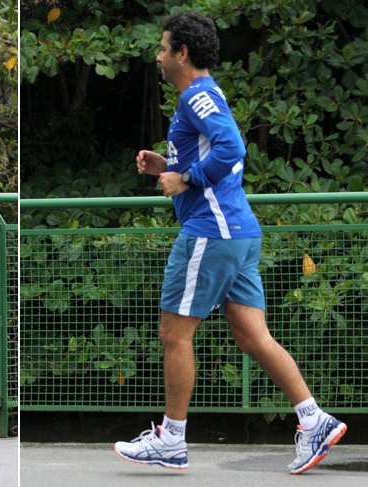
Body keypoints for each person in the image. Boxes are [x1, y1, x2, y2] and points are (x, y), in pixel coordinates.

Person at [113, 11, 346, 475]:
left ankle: (172, 441)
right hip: (238, 233)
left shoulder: (196, 96)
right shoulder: (203, 96)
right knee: (252, 335)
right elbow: (212, 152)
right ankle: (313, 420)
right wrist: (167, 167)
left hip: (210, 233)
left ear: (182, 53)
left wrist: (186, 178)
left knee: (173, 335)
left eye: (163, 49)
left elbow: (232, 149)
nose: (158, 57)